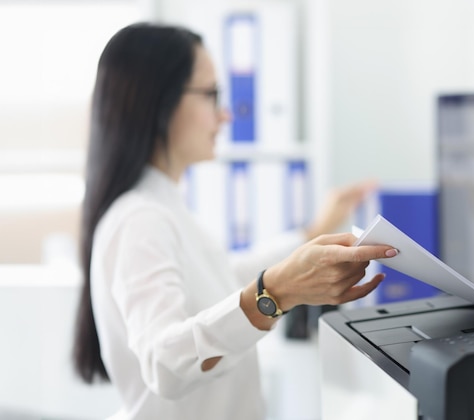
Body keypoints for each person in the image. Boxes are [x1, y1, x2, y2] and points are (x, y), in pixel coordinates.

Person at [72, 22, 397, 420]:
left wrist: (311, 236)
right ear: (159, 101)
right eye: (211, 95)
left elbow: (222, 275)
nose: (225, 114)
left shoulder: (164, 210)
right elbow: (165, 362)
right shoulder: (141, 219)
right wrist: (275, 294)